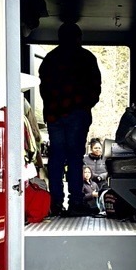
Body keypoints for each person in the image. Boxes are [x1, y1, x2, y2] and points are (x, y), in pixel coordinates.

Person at [39, 23, 101, 215]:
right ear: (78, 38)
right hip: (77, 114)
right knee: (75, 158)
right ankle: (76, 202)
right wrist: (83, 105)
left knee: (56, 158)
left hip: (55, 115)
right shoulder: (86, 58)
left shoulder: (50, 59)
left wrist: (54, 107)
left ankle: (55, 203)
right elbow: (95, 88)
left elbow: (44, 89)